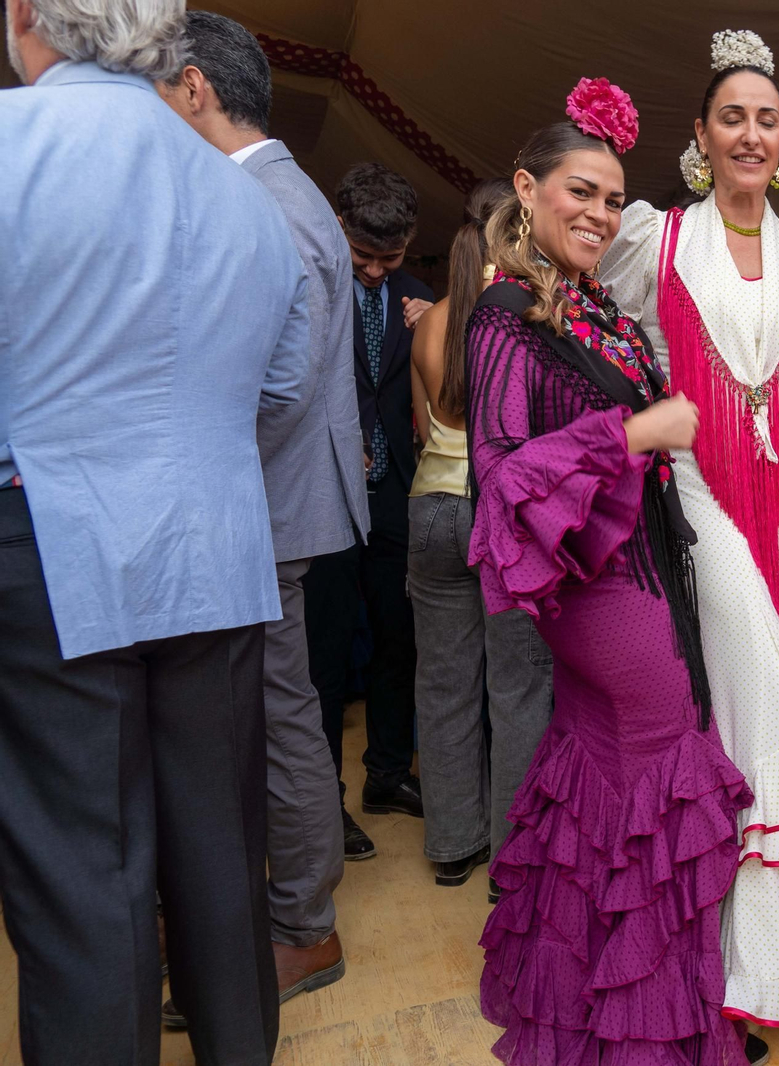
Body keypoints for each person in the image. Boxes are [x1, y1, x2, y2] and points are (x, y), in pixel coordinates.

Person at [0, 0, 311, 1061]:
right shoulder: (245, 200)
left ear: (29, 16)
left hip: (48, 537)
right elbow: (282, 381)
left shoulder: (12, 144)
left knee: (88, 872)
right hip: (217, 544)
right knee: (222, 855)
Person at [467, 82, 749, 1066]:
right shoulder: (506, 317)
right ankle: (658, 1036)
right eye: (578, 191)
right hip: (598, 595)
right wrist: (635, 429)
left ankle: (594, 1023)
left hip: (639, 571)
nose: (596, 212)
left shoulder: (587, 305)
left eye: (611, 198)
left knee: (604, 791)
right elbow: (500, 480)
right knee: (662, 782)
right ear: (527, 190)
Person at [599, 29, 779, 1039]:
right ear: (701, 135)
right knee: (755, 702)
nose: (750, 133)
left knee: (778, 699)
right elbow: (586, 328)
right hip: (695, 500)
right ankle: (730, 966)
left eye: (766, 118)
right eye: (732, 116)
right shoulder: (654, 240)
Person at [155, 9, 365, 1021]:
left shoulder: (271, 203)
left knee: (282, 721)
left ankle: (301, 922)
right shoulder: (279, 191)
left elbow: (277, 391)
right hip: (280, 502)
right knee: (278, 714)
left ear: (194, 87)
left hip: (269, 502)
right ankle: (281, 904)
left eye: (159, 93)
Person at [409, 179, 554, 896]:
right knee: (518, 688)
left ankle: (450, 844)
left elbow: (420, 429)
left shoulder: (431, 322)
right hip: (501, 514)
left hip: (431, 509)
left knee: (442, 684)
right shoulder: (523, 314)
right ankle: (513, 861)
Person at [304, 162, 436, 858]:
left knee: (399, 637)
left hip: (396, 493)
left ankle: (386, 774)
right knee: (324, 652)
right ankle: (322, 805)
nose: (379, 273)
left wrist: (433, 333)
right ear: (338, 229)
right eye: (365, 259)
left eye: (392, 259)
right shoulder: (311, 284)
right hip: (326, 487)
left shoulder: (420, 297)